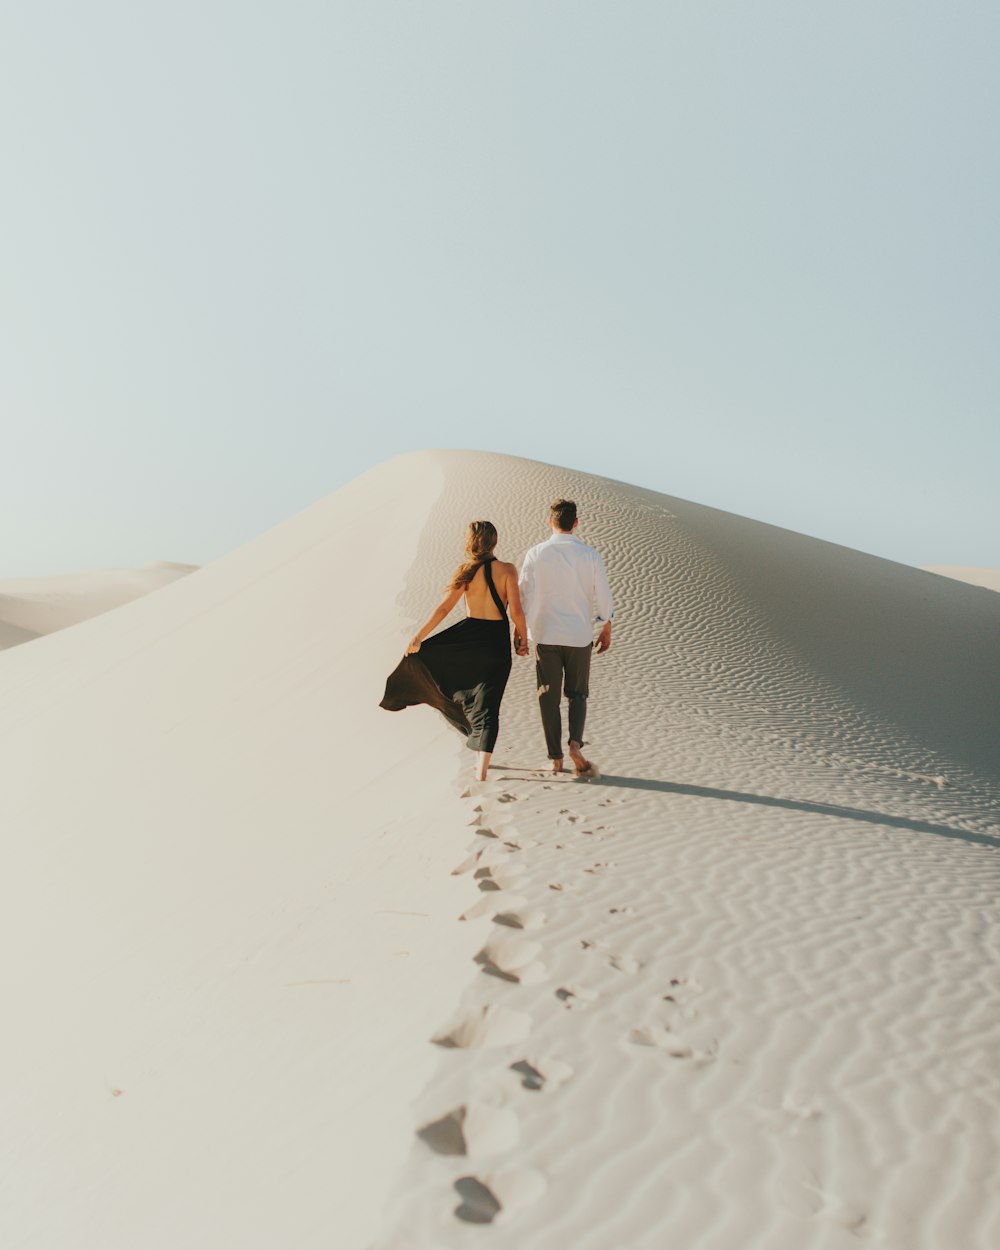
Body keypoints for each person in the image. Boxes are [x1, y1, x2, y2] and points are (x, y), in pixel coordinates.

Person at [380, 521, 529, 781]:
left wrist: (418, 637)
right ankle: (481, 768)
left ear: (471, 542)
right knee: (488, 704)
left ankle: (478, 761)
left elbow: (444, 608)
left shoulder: (466, 571)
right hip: (495, 642)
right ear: (494, 541)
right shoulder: (507, 570)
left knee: (469, 698)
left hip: (468, 640)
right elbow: (516, 611)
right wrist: (522, 637)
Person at [516, 499, 614, 776]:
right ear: (576, 523)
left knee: (548, 696)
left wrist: (521, 630)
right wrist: (606, 624)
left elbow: (524, 594)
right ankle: (575, 745)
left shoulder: (536, 553)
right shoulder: (590, 554)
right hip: (579, 635)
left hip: (545, 634)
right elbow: (603, 593)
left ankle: (556, 758)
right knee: (578, 694)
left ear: (550, 522)